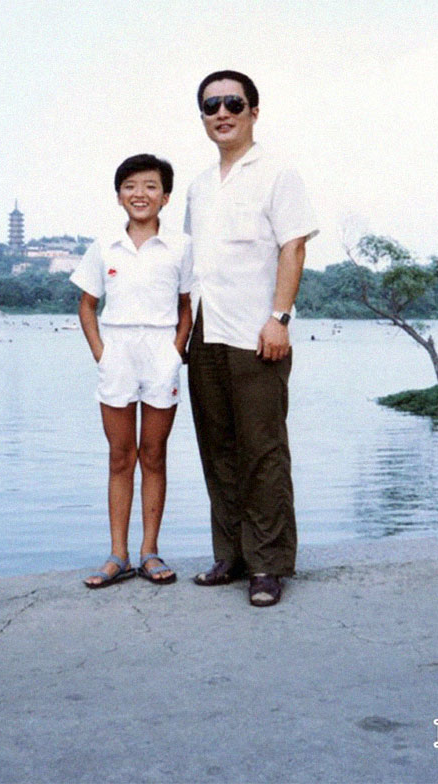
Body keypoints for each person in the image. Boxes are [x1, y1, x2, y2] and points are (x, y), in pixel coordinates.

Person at [185, 71, 319, 607]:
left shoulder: (278, 174)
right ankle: (232, 556)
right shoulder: (198, 186)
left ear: (253, 112)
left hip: (257, 333)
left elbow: (294, 247)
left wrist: (279, 317)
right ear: (203, 117)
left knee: (263, 452)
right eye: (211, 105)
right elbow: (196, 265)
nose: (222, 112)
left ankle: (268, 565)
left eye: (232, 103)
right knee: (218, 449)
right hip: (206, 332)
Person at [71, 154, 192, 588]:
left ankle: (149, 552)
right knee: (120, 457)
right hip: (117, 353)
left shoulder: (181, 246)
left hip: (161, 352)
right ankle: (118, 555)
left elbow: (186, 306)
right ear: (119, 196)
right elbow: (87, 305)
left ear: (165, 197)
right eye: (130, 186)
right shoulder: (105, 246)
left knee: (153, 455)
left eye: (150, 186)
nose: (140, 194)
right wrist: (101, 354)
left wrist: (176, 351)